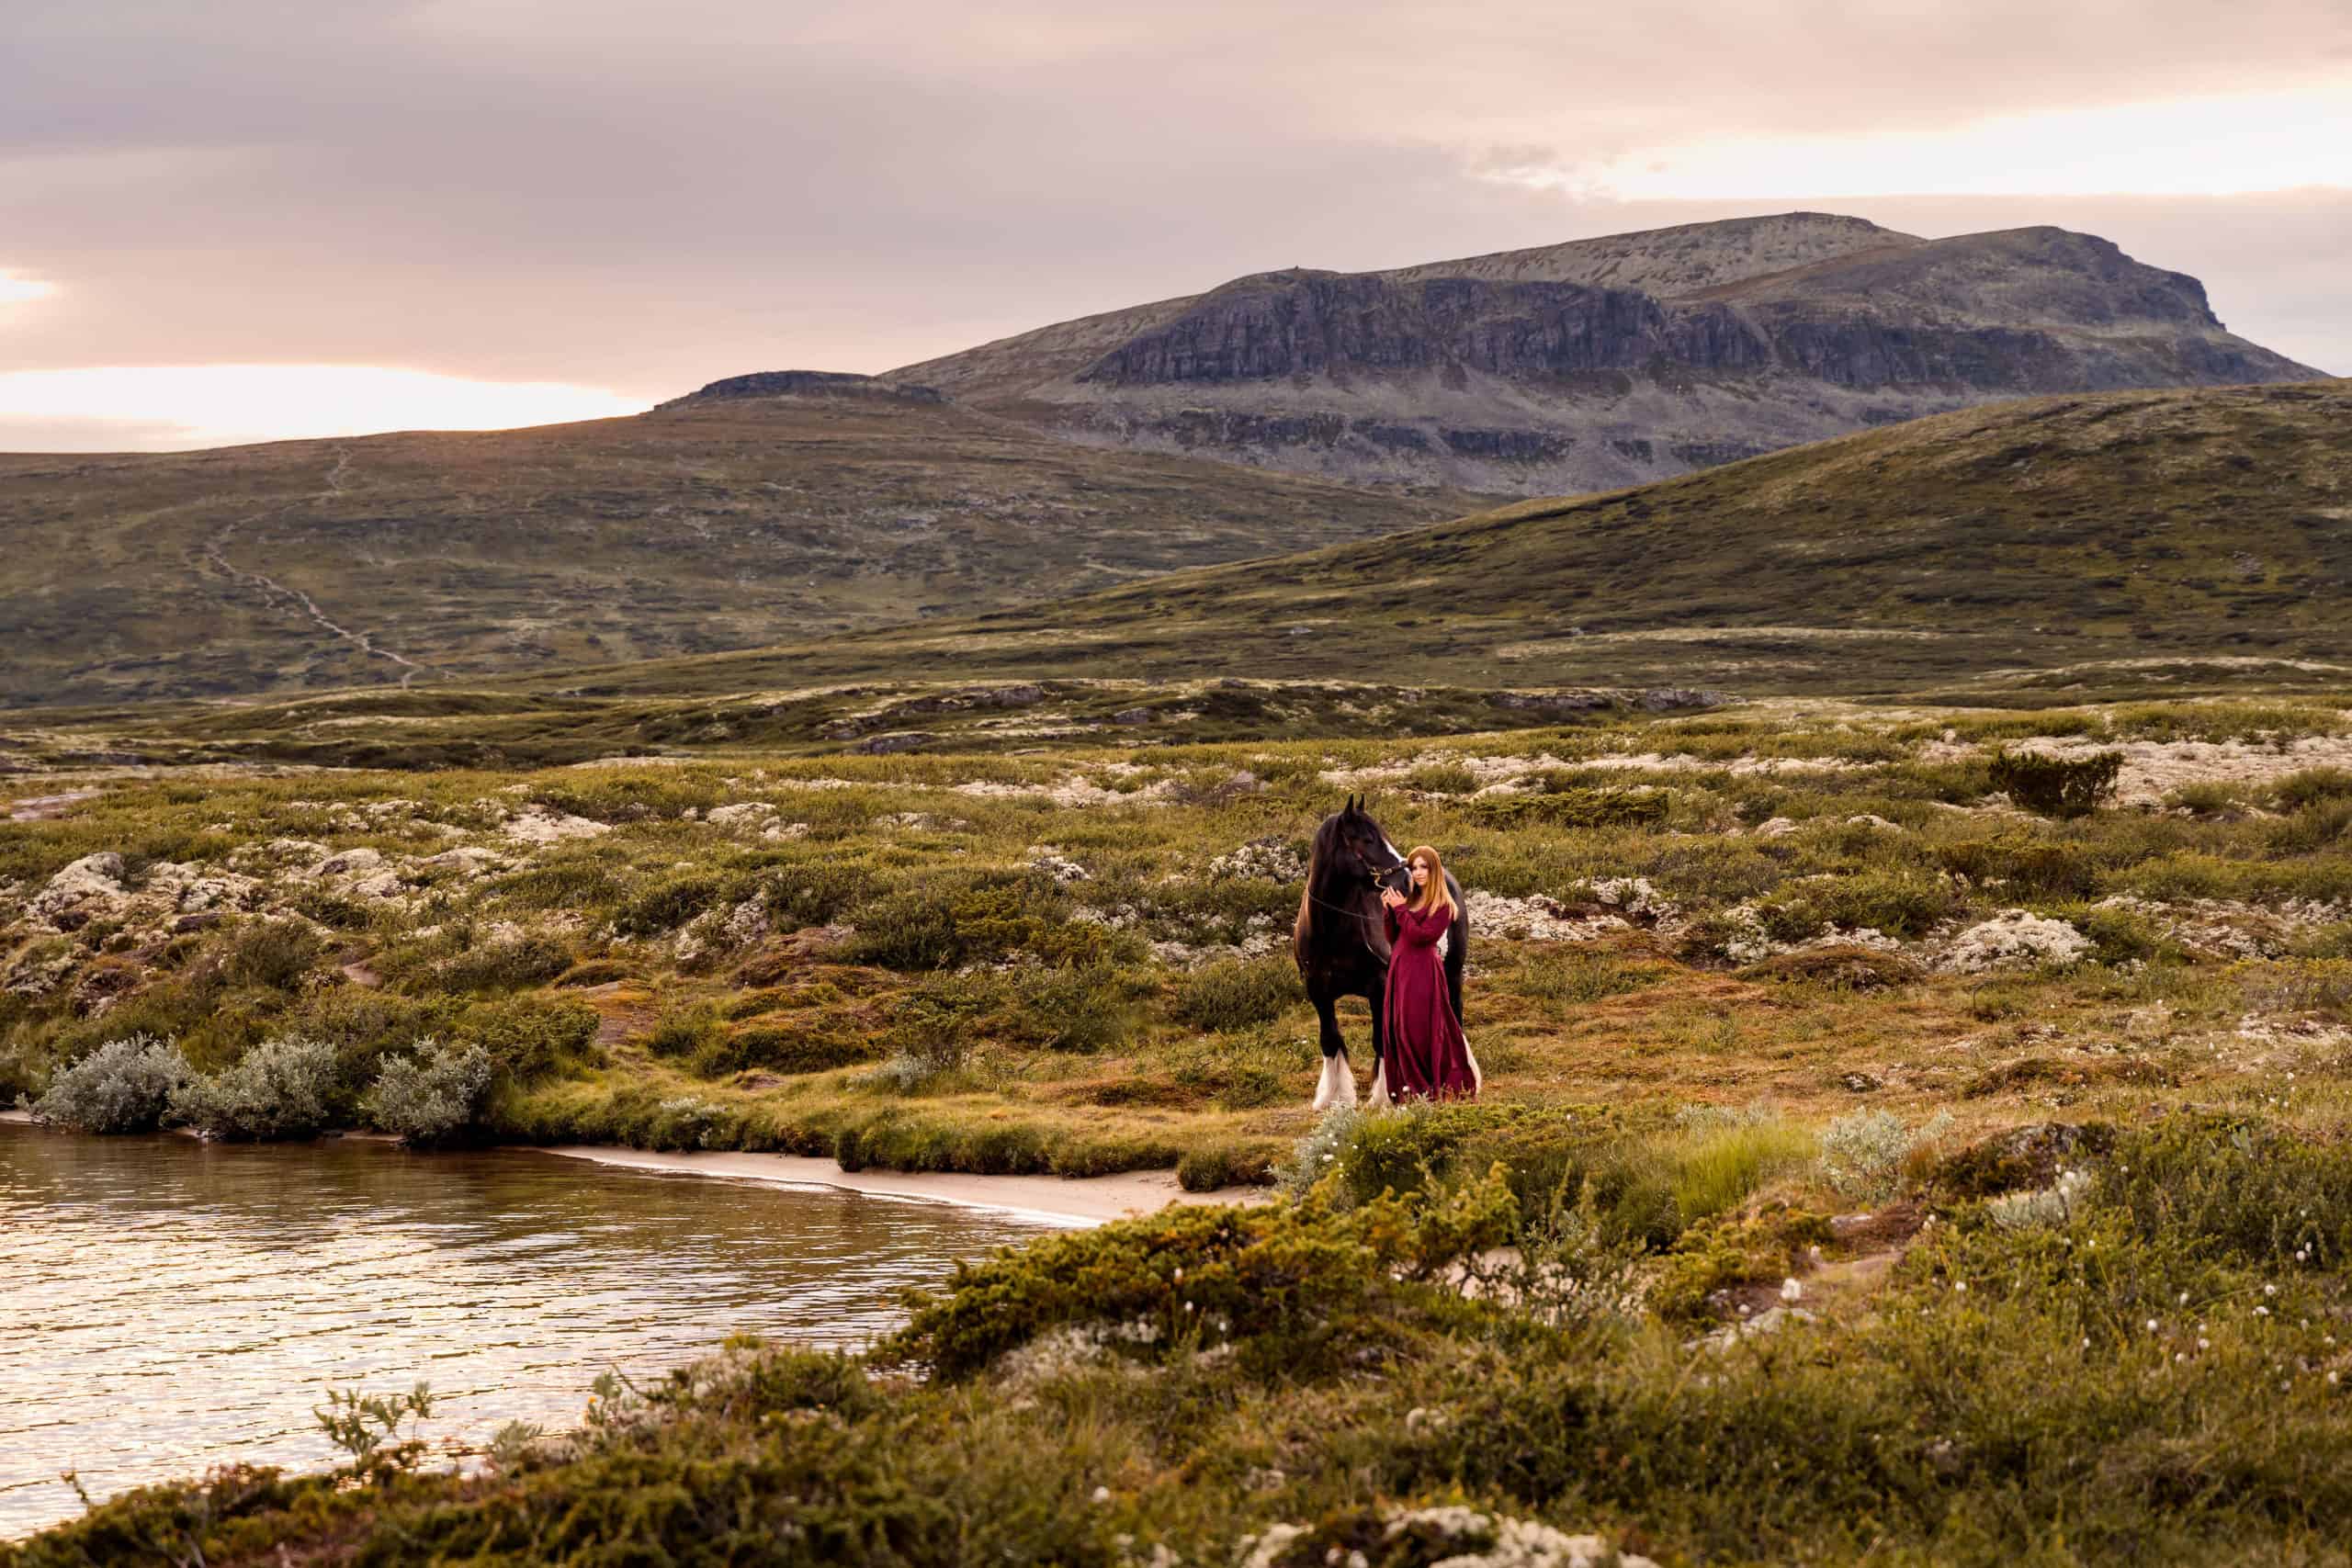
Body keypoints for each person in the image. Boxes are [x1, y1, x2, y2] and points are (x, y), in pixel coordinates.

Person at [1377, 845, 1479, 1101]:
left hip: (1423, 970)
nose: (1419, 872)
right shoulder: (1410, 900)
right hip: (1400, 969)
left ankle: (1429, 1085)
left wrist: (1399, 909)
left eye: (1424, 867)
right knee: (1400, 1029)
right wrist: (1389, 912)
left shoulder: (1443, 903)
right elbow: (1395, 938)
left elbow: (1423, 936)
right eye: (1414, 867)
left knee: (1420, 1028)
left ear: (1434, 869)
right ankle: (1410, 1089)